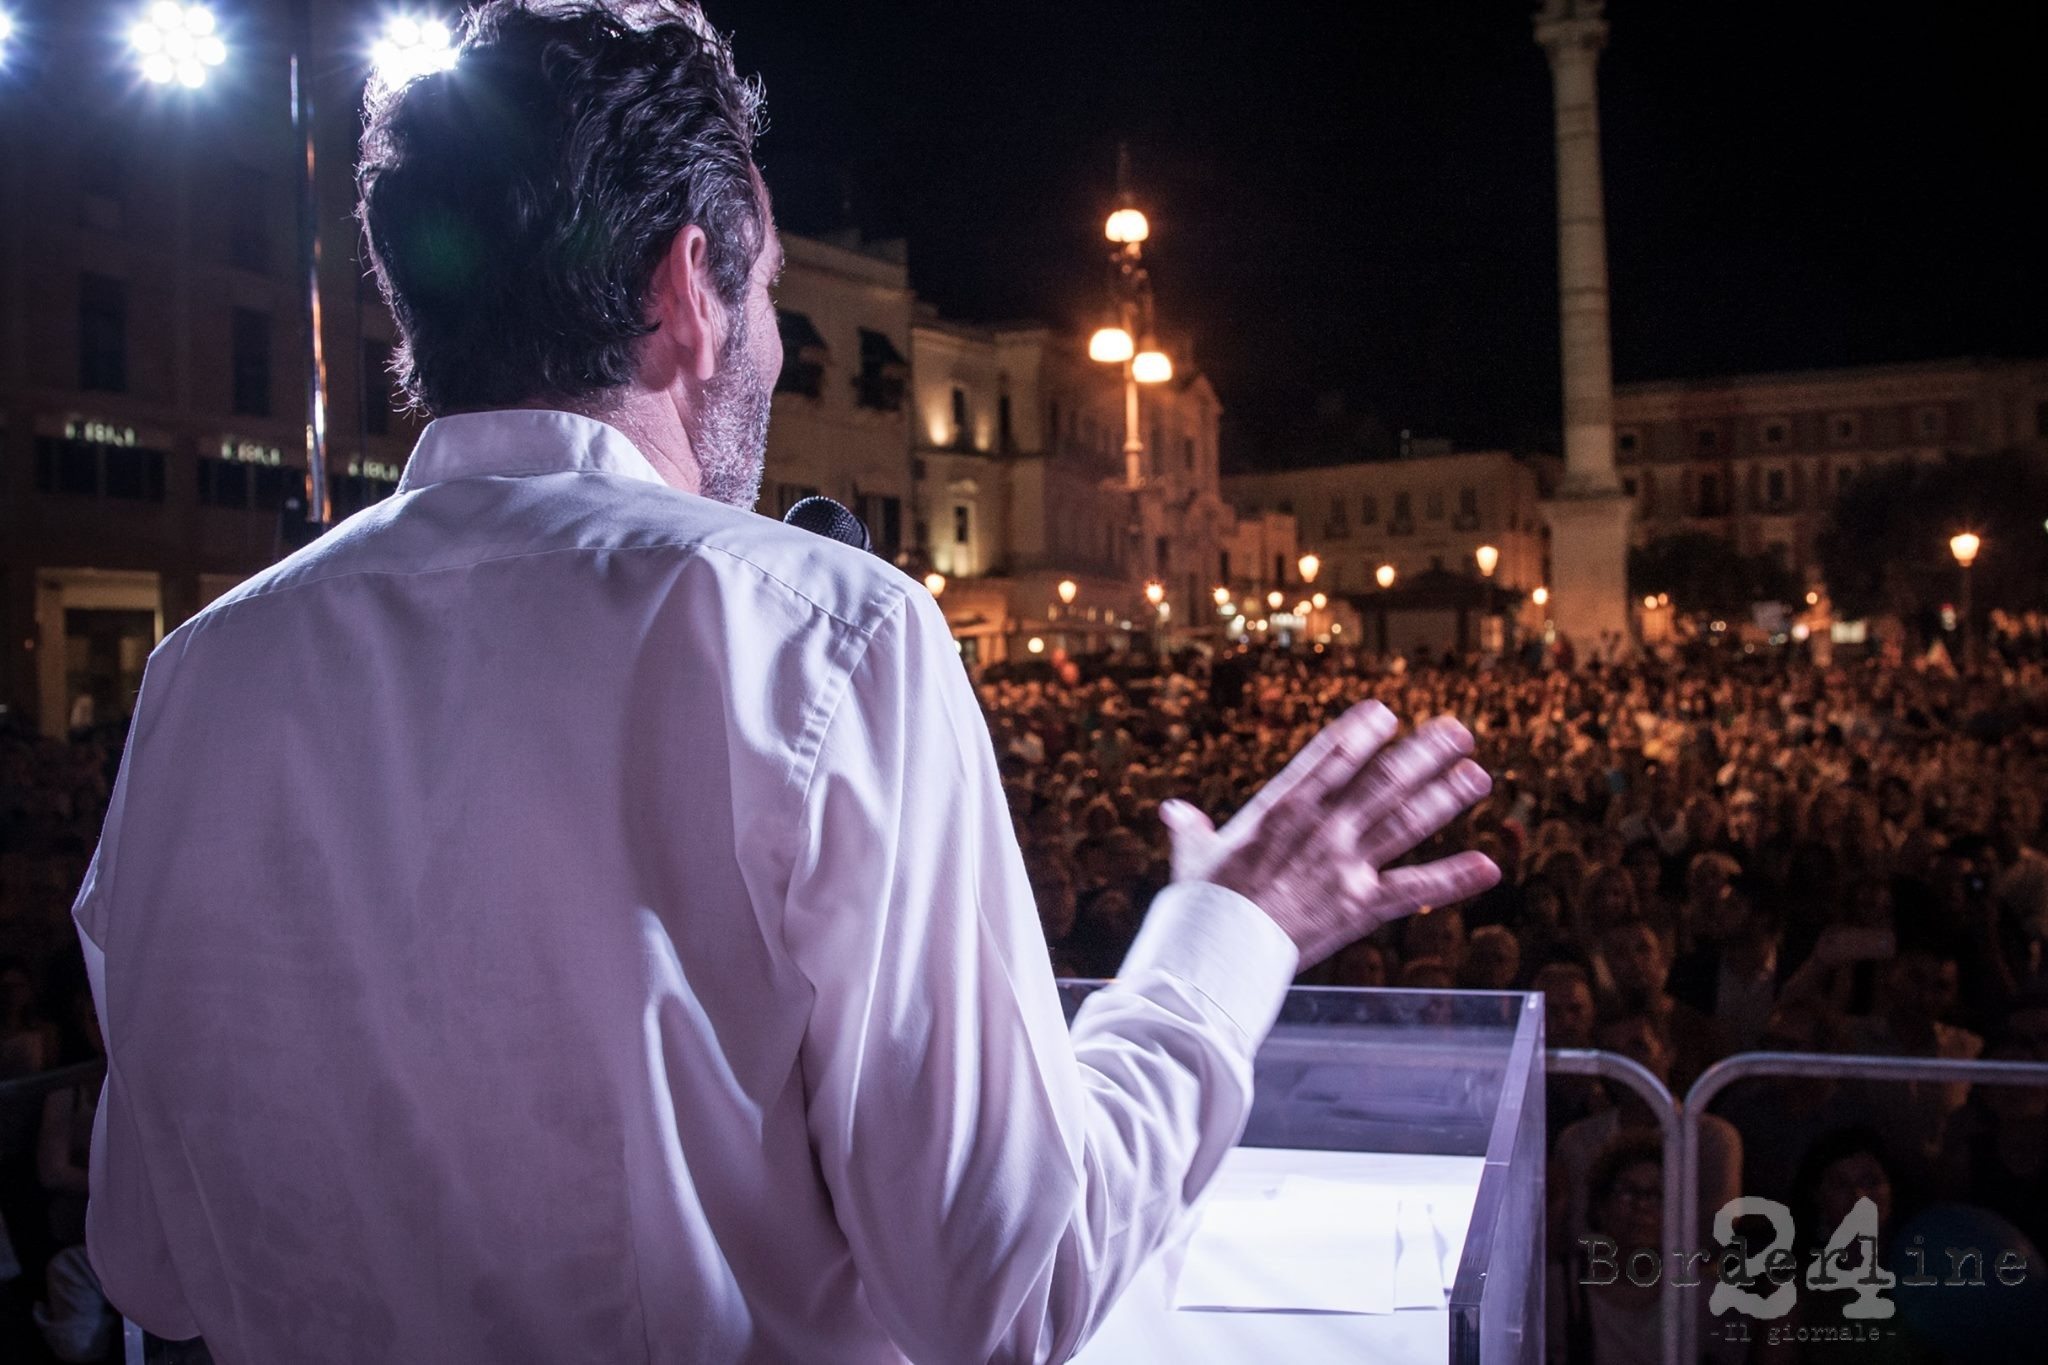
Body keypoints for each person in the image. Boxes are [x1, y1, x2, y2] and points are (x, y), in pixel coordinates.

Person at [71, 5, 1499, 1361]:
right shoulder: (823, 634)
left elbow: (146, 1255)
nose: (767, 345)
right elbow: (1010, 1289)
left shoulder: (202, 675)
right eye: (766, 297)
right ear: (687, 288)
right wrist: (1227, 938)